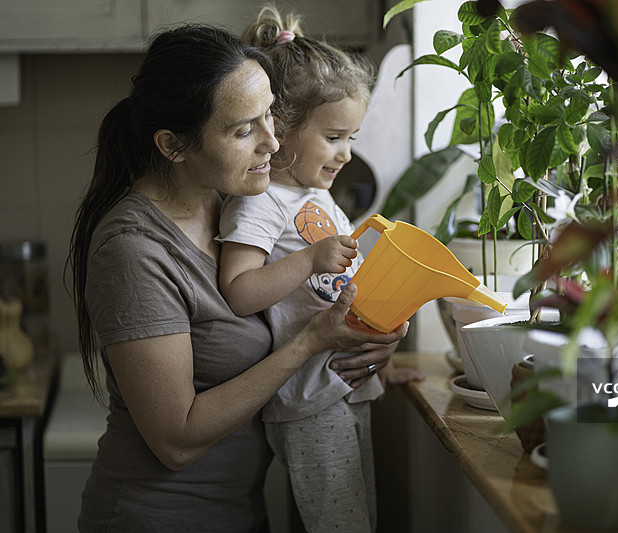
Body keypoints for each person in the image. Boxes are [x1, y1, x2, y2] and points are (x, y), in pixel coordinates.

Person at [67, 24, 407, 533]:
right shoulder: (134, 252)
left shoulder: (232, 201)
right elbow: (176, 440)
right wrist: (313, 343)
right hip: (158, 518)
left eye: (271, 113)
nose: (274, 141)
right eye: (243, 129)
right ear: (173, 145)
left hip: (239, 512)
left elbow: (297, 305)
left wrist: (370, 341)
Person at [216, 5, 423, 532]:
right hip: (306, 397)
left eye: (350, 137)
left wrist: (384, 346)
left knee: (359, 518)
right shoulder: (259, 203)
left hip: (344, 384)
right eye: (334, 137)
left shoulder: (318, 197)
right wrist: (310, 258)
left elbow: (336, 289)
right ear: (279, 128)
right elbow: (238, 291)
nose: (346, 154)